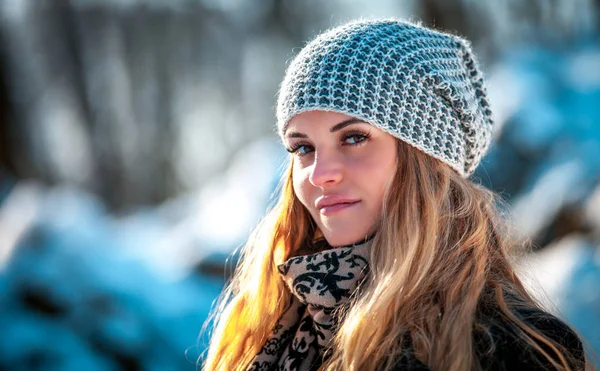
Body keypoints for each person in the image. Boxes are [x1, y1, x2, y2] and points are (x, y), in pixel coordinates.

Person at [202, 19, 589, 371]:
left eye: (354, 138)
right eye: (303, 148)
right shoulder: (265, 331)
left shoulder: (510, 350)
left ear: (426, 161)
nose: (320, 174)